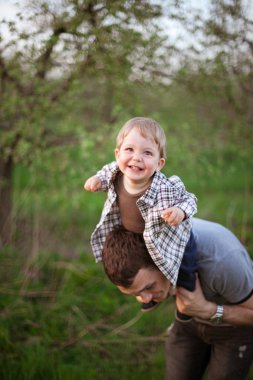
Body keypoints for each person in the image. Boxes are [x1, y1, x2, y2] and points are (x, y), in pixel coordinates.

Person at [101, 218, 253, 380]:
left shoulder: (221, 262)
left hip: (235, 328)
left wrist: (209, 311)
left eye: (148, 287)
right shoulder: (148, 247)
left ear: (164, 261)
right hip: (188, 321)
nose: (144, 300)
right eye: (135, 294)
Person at [84, 117, 197, 314]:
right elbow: (104, 173)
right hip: (136, 235)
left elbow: (190, 200)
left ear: (159, 163)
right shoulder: (115, 172)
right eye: (129, 150)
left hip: (166, 235)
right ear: (118, 154)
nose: (136, 158)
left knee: (184, 264)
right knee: (139, 267)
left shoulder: (165, 186)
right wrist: (96, 180)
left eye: (147, 153)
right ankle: (150, 294)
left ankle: (186, 294)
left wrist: (180, 211)